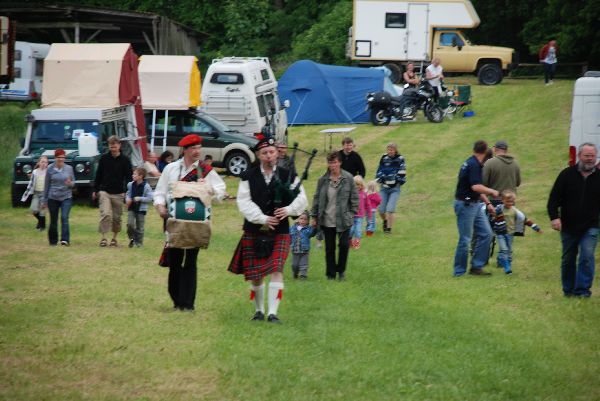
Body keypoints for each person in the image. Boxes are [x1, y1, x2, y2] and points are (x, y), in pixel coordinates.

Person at [228, 138, 308, 323]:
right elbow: (243, 201)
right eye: (264, 153)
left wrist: (288, 210)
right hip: (255, 229)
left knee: (277, 268)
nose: (269, 156)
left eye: (272, 152)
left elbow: (302, 198)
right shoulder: (248, 175)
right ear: (258, 155)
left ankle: (273, 313)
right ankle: (258, 311)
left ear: (277, 153)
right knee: (256, 274)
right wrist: (263, 218)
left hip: (280, 229)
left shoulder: (288, 173)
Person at [154, 134, 226, 311]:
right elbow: (159, 192)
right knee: (175, 260)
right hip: (174, 223)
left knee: (191, 262)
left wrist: (207, 188)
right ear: (184, 150)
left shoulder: (205, 171)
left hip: (196, 225)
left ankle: (188, 304)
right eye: (193, 148)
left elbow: (221, 190)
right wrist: (160, 206)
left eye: (199, 148)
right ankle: (177, 301)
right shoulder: (171, 169)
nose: (197, 151)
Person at [547, 143, 600, 297]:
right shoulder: (566, 175)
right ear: (579, 156)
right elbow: (554, 199)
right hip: (568, 225)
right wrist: (554, 218)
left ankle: (582, 291)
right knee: (568, 259)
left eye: (592, 156)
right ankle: (568, 290)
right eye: (587, 155)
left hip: (591, 225)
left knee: (587, 256)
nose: (590, 159)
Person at [453, 140, 499, 277]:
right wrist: (492, 192)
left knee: (486, 234)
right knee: (465, 239)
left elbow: (476, 190)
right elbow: (476, 187)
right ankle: (459, 271)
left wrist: (488, 204)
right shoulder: (473, 165)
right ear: (484, 151)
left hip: (475, 204)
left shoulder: (473, 163)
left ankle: (476, 266)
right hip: (466, 205)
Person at [311, 151, 359, 281]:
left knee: (344, 246)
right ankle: (331, 274)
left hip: (343, 219)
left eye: (335, 162)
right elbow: (316, 198)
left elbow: (355, 198)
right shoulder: (322, 180)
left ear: (340, 163)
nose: (332, 165)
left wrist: (351, 213)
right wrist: (314, 216)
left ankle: (341, 271)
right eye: (330, 162)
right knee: (329, 248)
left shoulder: (348, 178)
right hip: (327, 220)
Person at [93, 135, 133, 247]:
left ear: (119, 146)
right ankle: (104, 238)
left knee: (117, 218)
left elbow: (129, 178)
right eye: (111, 147)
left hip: (119, 193)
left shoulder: (125, 160)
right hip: (104, 191)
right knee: (105, 214)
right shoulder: (104, 159)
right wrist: (95, 190)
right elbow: (98, 175)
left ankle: (114, 238)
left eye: (115, 147)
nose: (113, 149)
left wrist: (126, 192)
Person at [492, 190, 542, 275]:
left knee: (509, 250)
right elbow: (491, 217)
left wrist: (535, 227)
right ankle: (507, 267)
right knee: (504, 250)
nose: (509, 203)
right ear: (502, 200)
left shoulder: (515, 211)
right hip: (500, 233)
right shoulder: (498, 209)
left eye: (511, 202)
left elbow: (525, 219)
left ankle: (508, 262)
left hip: (510, 234)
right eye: (507, 201)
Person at [41, 149, 75, 246]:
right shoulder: (50, 169)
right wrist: (44, 200)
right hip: (53, 197)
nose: (61, 159)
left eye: (63, 157)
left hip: (66, 197)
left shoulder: (69, 168)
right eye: (59, 157)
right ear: (55, 158)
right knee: (53, 220)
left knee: (64, 217)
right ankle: (53, 241)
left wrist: (70, 183)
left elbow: (73, 183)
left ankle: (65, 240)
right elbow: (46, 185)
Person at [375, 143, 406, 234]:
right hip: (384, 188)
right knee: (381, 210)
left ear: (395, 150)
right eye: (388, 150)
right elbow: (379, 170)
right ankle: (385, 220)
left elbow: (402, 172)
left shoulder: (400, 159)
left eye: (392, 150)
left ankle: (388, 230)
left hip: (395, 189)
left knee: (390, 209)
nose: (390, 151)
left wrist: (395, 179)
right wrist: (382, 177)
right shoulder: (384, 158)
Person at [125, 167, 153, 248]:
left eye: (134, 174)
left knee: (140, 227)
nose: (132, 175)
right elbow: (128, 194)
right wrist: (127, 199)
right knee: (130, 224)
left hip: (141, 209)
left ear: (141, 176)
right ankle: (132, 239)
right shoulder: (130, 184)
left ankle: (139, 243)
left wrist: (139, 198)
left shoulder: (146, 186)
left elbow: (150, 198)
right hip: (131, 208)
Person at [21, 155, 48, 231]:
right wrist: (26, 195)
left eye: (45, 162)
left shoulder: (48, 172)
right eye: (42, 162)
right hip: (36, 193)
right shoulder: (35, 172)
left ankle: (42, 227)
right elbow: (31, 183)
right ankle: (40, 222)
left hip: (44, 194)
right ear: (39, 162)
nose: (44, 164)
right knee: (34, 210)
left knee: (42, 211)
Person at [289, 211, 316, 280]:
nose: (303, 221)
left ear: (308, 221)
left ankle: (303, 276)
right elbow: (289, 237)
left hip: (304, 251)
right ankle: (295, 273)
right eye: (301, 218)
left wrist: (314, 227)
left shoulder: (308, 229)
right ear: (298, 219)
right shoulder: (292, 228)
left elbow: (312, 233)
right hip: (295, 250)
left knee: (304, 265)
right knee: (294, 265)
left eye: (305, 219)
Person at [349, 175, 371, 249]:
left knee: (358, 230)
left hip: (360, 217)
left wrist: (369, 215)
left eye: (358, 184)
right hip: (351, 216)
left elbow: (368, 205)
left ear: (361, 185)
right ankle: (349, 240)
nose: (356, 186)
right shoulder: (350, 194)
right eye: (354, 184)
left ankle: (357, 243)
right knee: (351, 230)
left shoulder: (364, 194)